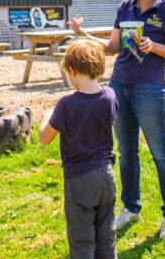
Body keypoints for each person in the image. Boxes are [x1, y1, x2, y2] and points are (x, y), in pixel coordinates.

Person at [68, 0, 165, 239]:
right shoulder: (125, 7)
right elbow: (112, 47)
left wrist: (154, 46)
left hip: (151, 89)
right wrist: (82, 33)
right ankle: (131, 208)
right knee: (126, 152)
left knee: (161, 152)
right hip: (119, 85)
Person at [38, 39, 118, 259]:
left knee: (82, 239)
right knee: (106, 235)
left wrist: (46, 116)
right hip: (106, 176)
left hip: (80, 179)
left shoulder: (67, 105)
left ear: (71, 71)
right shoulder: (110, 96)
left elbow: (44, 138)